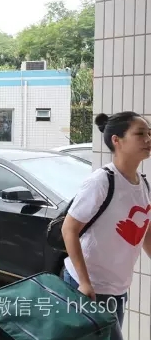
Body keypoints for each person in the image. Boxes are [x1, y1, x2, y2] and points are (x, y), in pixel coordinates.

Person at [61, 112, 151, 340]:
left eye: (149, 134)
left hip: (117, 288)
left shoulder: (143, 184)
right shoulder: (102, 181)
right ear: (116, 140)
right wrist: (84, 283)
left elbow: (146, 233)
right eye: (140, 134)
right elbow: (69, 229)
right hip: (88, 286)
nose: (148, 139)